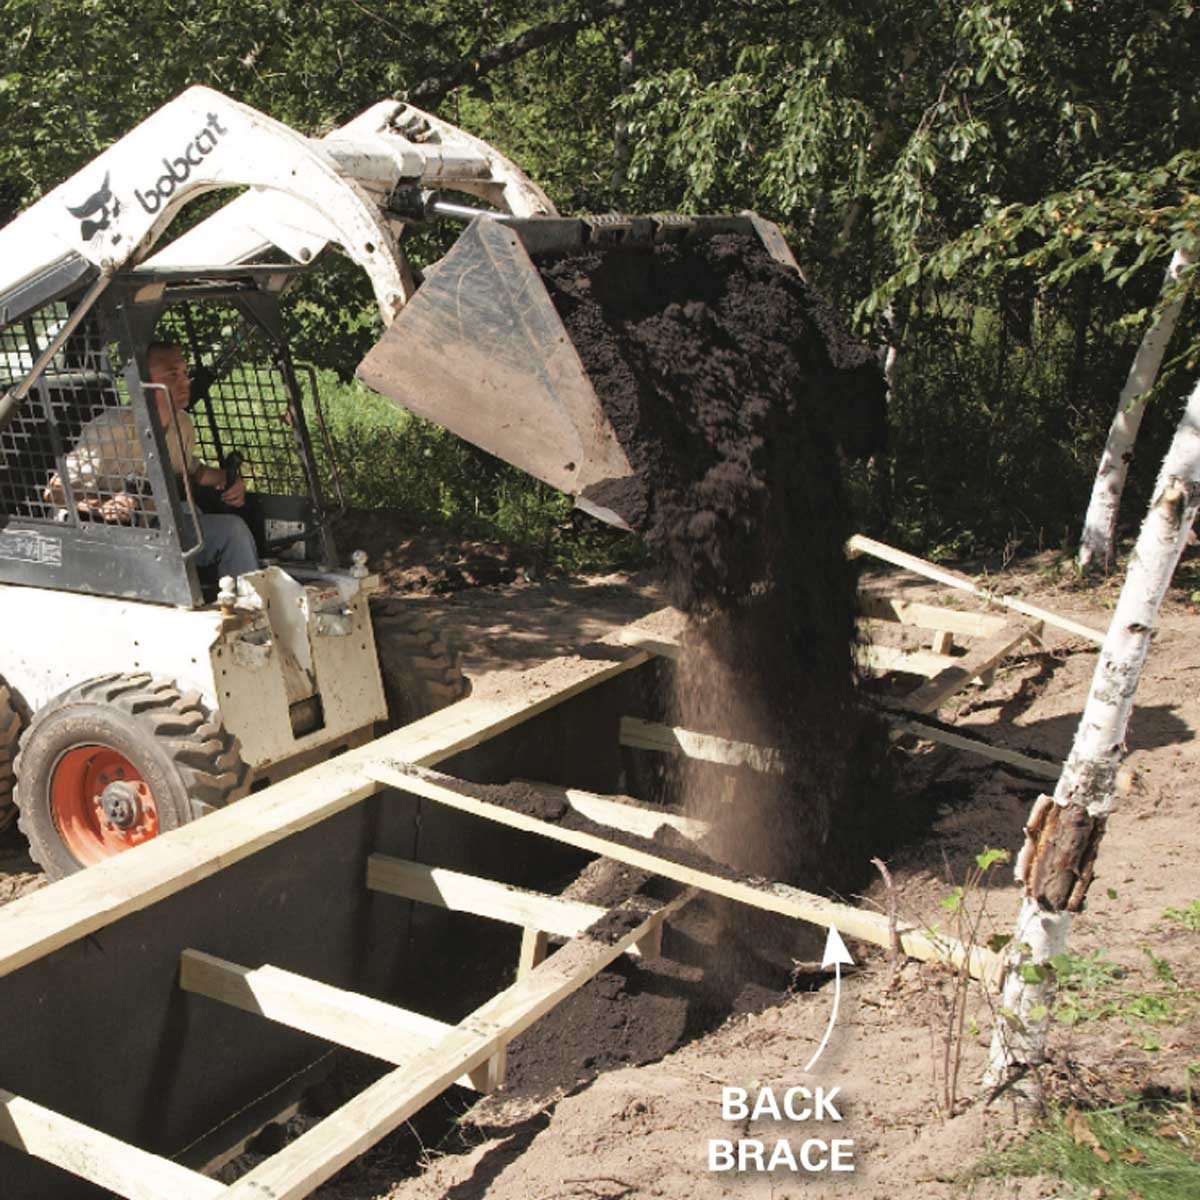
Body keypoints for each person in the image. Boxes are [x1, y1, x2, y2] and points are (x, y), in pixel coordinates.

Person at [46, 342, 259, 579]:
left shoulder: (182, 425)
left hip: (160, 526)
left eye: (184, 373)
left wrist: (230, 479)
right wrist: (101, 506)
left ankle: (247, 608)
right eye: (172, 374)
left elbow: (192, 470)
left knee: (232, 530)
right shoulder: (109, 432)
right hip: (106, 538)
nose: (185, 381)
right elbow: (54, 492)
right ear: (145, 384)